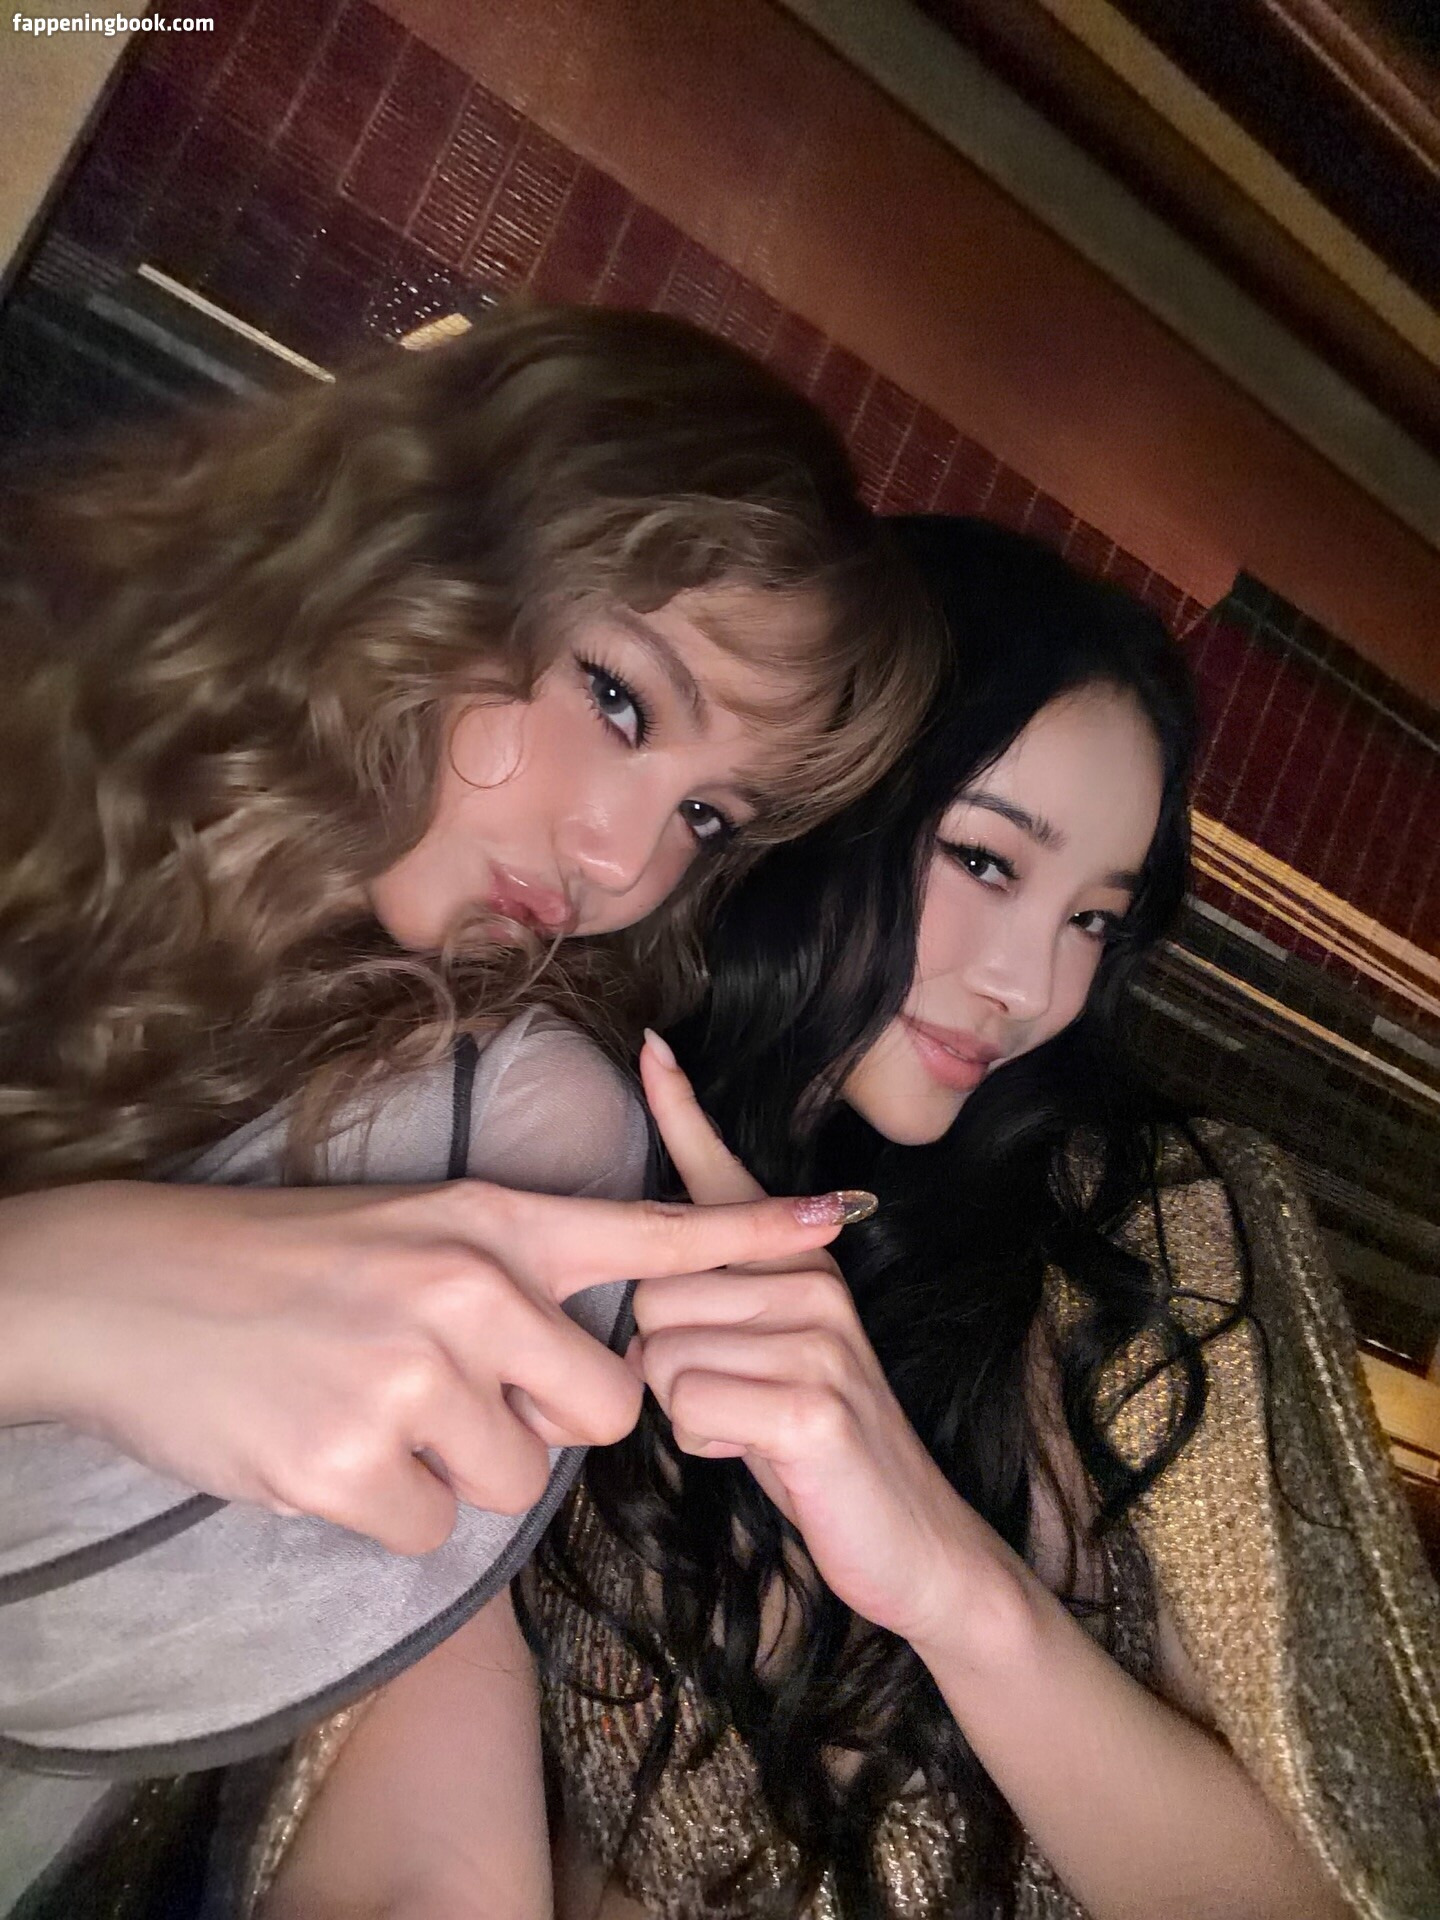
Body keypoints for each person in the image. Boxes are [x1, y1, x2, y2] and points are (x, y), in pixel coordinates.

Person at [256, 517, 1438, 1919]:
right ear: (825, 804)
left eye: (1094, 921)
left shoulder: (1154, 1224)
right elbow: (451, 1840)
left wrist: (946, 1576)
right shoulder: (561, 1180)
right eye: (987, 863)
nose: (1031, 988)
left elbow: (1345, 1885)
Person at [0, 305, 942, 1903]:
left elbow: (404, 1738)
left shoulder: (503, 1117)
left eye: (709, 818)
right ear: (437, 545)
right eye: (621, 700)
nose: (622, 862)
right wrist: (57, 1289)